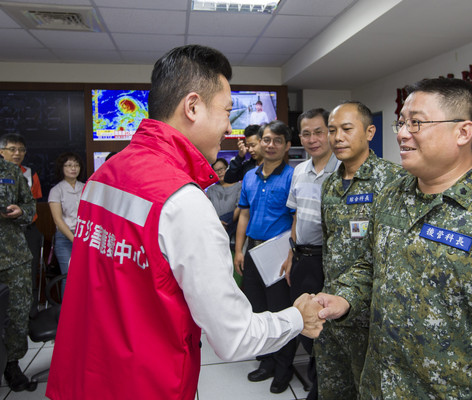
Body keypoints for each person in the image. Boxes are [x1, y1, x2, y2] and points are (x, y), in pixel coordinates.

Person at [46, 45, 324, 400]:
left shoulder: (105, 174)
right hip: (145, 383)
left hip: (85, 374)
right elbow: (233, 336)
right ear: (192, 106)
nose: (230, 127)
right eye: (226, 112)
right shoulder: (182, 201)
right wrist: (299, 317)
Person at [316, 78, 472, 399]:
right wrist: (345, 298)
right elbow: (370, 266)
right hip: (380, 387)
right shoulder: (392, 195)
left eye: (416, 123)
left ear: (463, 132)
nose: (401, 133)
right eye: (401, 122)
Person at [315, 100, 405, 400]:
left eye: (346, 129)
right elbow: (328, 244)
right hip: (332, 309)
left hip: (371, 317)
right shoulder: (330, 185)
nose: (337, 137)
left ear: (369, 132)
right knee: (333, 388)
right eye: (332, 130)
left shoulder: (394, 182)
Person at [279, 108, 339, 400]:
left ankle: (320, 389)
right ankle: (317, 381)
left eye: (319, 132)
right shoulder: (298, 171)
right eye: (306, 133)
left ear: (330, 133)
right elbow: (297, 216)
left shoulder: (343, 171)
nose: (312, 139)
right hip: (302, 259)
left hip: (329, 261)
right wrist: (291, 255)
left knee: (327, 329)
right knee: (305, 324)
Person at [234, 120, 296, 394]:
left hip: (279, 254)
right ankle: (267, 361)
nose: (271, 145)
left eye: (277, 141)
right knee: (258, 310)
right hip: (252, 251)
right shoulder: (249, 176)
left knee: (280, 311)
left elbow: (297, 219)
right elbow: (244, 214)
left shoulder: (293, 176)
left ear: (287, 146)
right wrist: (238, 249)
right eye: (266, 140)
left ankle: (284, 368)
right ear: (259, 142)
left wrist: (292, 252)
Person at [0, 157, 37, 392]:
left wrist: (21, 211)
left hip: (13, 256)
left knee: (17, 312)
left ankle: (12, 365)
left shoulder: (11, 171)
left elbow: (30, 206)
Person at [0, 133, 43, 313]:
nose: (17, 153)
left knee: (26, 280)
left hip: (21, 236)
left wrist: (22, 212)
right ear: (2, 151)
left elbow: (32, 203)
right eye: (12, 149)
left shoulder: (25, 173)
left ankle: (31, 312)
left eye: (21, 150)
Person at [47, 152, 85, 293]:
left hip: (85, 236)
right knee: (69, 276)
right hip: (65, 238)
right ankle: (67, 313)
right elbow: (58, 220)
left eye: (76, 165)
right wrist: (74, 239)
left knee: (86, 275)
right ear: (61, 168)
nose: (73, 168)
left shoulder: (86, 187)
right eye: (68, 165)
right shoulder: (56, 190)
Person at [205, 157, 242, 247]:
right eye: (216, 170)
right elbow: (206, 210)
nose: (219, 172)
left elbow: (240, 208)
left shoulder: (239, 187)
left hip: (234, 232)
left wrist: (225, 222)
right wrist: (217, 223)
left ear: (227, 168)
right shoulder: (210, 190)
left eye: (221, 169)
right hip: (214, 230)